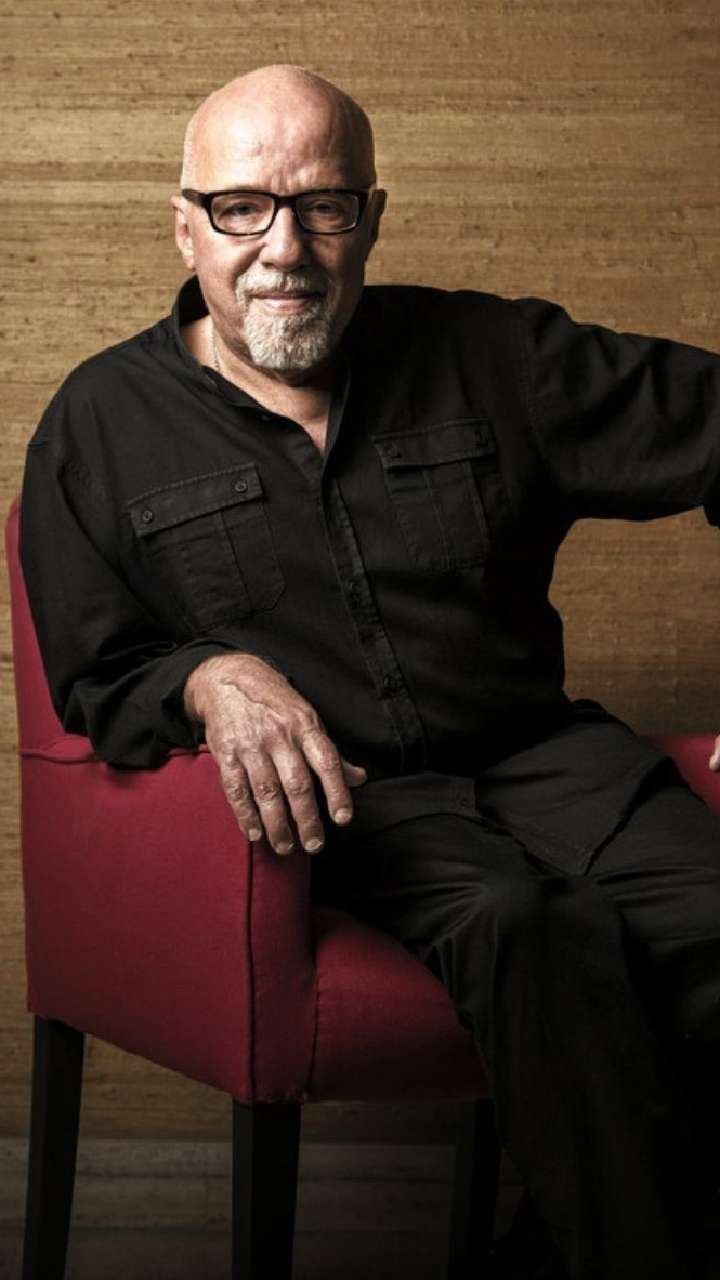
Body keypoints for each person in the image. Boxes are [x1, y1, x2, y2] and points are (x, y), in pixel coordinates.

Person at [18, 64, 720, 1280]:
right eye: (242, 207)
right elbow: (96, 674)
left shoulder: (494, 353)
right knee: (528, 923)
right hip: (350, 813)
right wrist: (208, 677)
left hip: (554, 764)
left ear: (373, 217)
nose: (284, 247)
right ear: (185, 225)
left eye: (323, 206)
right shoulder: (97, 424)